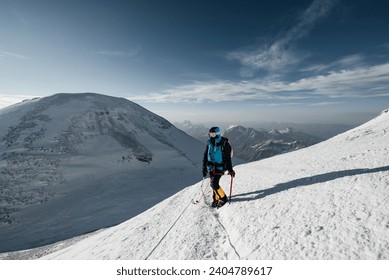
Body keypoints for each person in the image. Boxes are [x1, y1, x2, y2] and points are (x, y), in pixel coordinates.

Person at [202, 127, 235, 208]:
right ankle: (216, 199)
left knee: (214, 184)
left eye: (213, 134)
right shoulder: (209, 143)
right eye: (210, 134)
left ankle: (223, 198)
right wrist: (204, 167)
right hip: (211, 167)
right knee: (213, 184)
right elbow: (205, 155)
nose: (211, 136)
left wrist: (230, 170)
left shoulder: (224, 144)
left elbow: (228, 158)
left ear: (217, 134)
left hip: (220, 167)